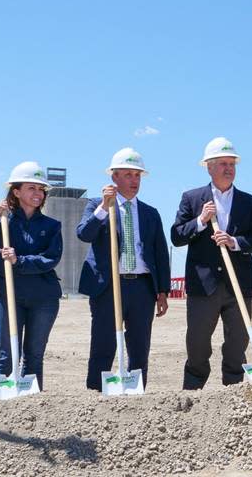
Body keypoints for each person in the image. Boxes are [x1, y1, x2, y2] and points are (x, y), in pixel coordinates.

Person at [171, 137, 252, 388]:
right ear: (209, 166)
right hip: (204, 286)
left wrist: (235, 242)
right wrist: (201, 221)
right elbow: (177, 235)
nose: (229, 168)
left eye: (232, 163)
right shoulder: (192, 199)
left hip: (239, 286)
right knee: (198, 346)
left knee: (237, 346)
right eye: (223, 163)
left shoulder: (250, 203)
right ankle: (192, 394)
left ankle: (233, 396)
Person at [77, 148, 171, 391]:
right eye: (128, 175)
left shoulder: (150, 213)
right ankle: (96, 394)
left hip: (142, 287)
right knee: (103, 344)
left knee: (140, 347)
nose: (134, 181)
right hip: (108, 286)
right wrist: (103, 209)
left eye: (137, 175)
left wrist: (162, 291)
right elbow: (83, 234)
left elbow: (160, 254)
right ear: (114, 177)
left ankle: (135, 392)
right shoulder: (96, 206)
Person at [0, 162, 62, 390]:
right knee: (8, 354)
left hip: (43, 298)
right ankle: (3, 408)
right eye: (31, 188)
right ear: (16, 191)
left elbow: (51, 258)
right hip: (7, 296)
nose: (38, 194)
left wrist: (18, 260)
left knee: (34, 355)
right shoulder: (4, 222)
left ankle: (30, 407)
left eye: (41, 189)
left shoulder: (52, 226)